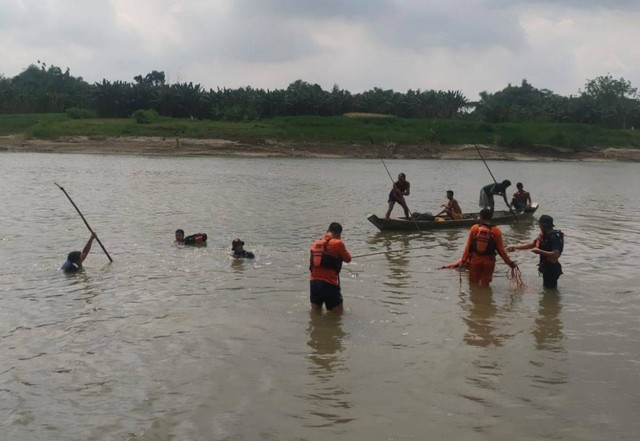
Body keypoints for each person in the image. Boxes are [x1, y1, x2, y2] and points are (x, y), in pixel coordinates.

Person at [461, 208, 517, 287]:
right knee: (485, 286)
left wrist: (463, 261)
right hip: (489, 262)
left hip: (475, 261)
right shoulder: (496, 231)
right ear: (491, 217)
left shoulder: (474, 228)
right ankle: (485, 297)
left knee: (473, 285)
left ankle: (475, 298)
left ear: (480, 217)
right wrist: (509, 263)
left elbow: (468, 247)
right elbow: (501, 251)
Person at [508, 214, 563, 289]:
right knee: (547, 290)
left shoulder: (553, 237)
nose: (539, 226)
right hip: (547, 266)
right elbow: (532, 244)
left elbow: (556, 254)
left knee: (550, 289)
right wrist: (515, 247)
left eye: (540, 224)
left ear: (543, 225)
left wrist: (539, 251)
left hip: (552, 268)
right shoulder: (544, 235)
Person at [309, 222, 352, 314]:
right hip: (328, 283)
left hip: (314, 283)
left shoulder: (316, 244)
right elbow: (348, 259)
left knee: (315, 312)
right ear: (339, 233)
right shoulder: (338, 243)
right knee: (338, 314)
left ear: (328, 231)